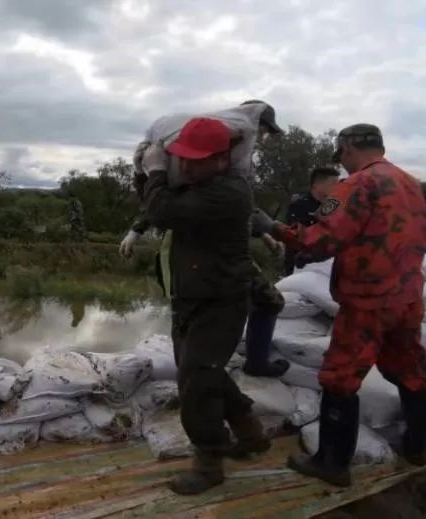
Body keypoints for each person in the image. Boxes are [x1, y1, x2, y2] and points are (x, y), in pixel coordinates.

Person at [252, 124, 426, 487]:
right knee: (410, 371)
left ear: (348, 148)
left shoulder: (356, 185)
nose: (343, 164)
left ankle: (332, 463)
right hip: (407, 297)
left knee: (340, 379)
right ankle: (417, 447)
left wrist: (273, 228)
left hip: (368, 300)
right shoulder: (411, 182)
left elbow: (322, 241)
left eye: (343, 156)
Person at [140, 117, 270, 496]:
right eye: (185, 159)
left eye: (200, 159)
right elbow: (154, 206)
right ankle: (250, 433)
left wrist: (155, 172)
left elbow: (160, 212)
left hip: (221, 301)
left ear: (223, 157)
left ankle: (209, 462)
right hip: (191, 296)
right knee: (201, 371)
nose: (191, 166)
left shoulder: (229, 192)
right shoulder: (197, 185)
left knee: (196, 381)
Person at [283, 167, 340, 275]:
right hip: (300, 268)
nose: (337, 187)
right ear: (316, 185)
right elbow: (296, 237)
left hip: (325, 267)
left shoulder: (333, 208)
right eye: (333, 183)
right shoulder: (299, 206)